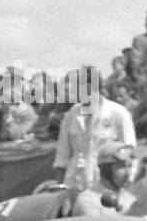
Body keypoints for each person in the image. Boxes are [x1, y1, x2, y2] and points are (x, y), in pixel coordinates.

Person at [52, 67, 137, 212]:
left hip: (104, 186)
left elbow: (130, 152)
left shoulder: (118, 113)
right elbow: (63, 154)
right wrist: (60, 188)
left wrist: (127, 180)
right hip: (75, 183)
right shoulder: (72, 114)